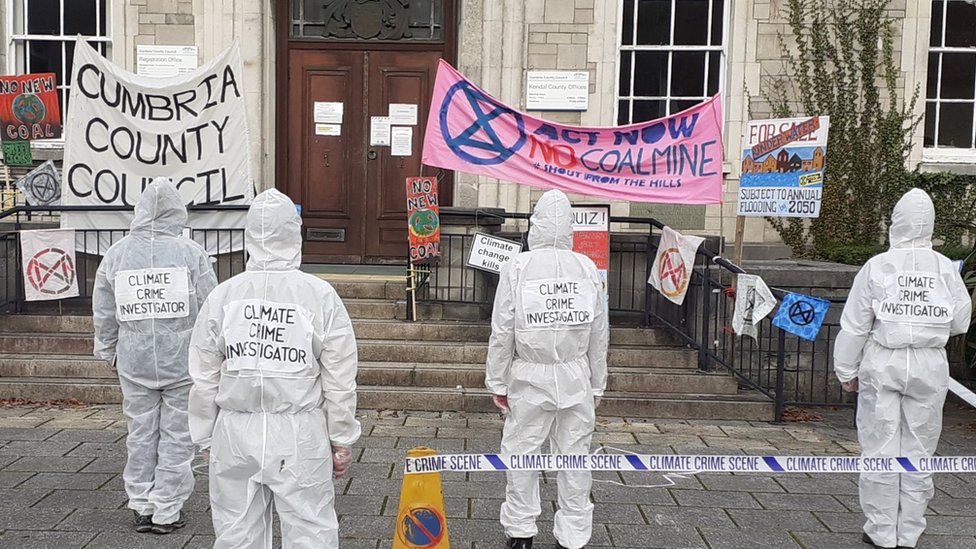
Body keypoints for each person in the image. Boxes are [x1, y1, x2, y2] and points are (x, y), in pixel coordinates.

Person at [188, 188, 360, 549]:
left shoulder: (224, 296)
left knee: (236, 532)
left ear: (249, 236)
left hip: (235, 431)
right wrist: (341, 436)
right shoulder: (319, 295)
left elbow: (204, 377)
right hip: (299, 434)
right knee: (310, 530)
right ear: (294, 235)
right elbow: (340, 377)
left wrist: (204, 436)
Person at [834, 188, 971, 549]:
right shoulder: (944, 267)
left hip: (884, 359)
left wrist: (846, 370)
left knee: (880, 446)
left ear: (896, 223)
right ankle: (909, 531)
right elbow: (960, 320)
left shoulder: (877, 266)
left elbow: (855, 325)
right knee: (920, 448)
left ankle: (881, 532)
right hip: (929, 363)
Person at [92, 177, 218, 535]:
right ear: (177, 211)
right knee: (178, 434)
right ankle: (167, 508)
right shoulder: (189, 253)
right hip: (182, 360)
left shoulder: (117, 254)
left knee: (141, 432)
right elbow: (210, 308)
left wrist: (108, 349)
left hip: (133, 360)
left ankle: (142, 504)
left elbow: (103, 308)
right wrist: (211, 355)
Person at [485, 189, 609, 549]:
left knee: (522, 453)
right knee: (574, 457)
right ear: (570, 227)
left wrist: (497, 380)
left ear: (534, 224)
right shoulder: (586, 267)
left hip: (528, 375)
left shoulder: (518, 266)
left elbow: (502, 330)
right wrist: (597, 382)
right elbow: (600, 332)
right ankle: (573, 536)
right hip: (575, 375)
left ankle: (521, 532)